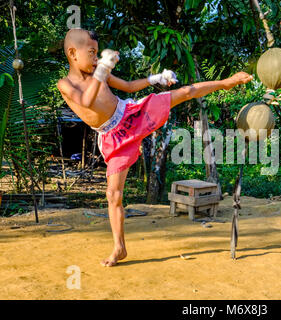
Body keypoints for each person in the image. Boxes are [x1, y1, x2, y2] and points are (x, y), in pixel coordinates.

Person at [57, 28, 253, 267]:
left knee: (185, 92)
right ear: (72, 53)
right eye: (92, 52)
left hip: (131, 114)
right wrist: (102, 69)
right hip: (113, 137)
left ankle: (226, 82)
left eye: (98, 53)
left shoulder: (100, 73)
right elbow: (87, 101)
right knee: (113, 195)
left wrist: (154, 79)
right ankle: (119, 247)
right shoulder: (66, 84)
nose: (97, 58)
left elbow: (128, 87)